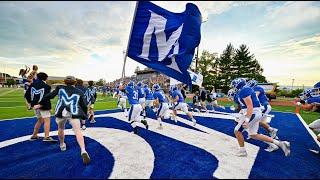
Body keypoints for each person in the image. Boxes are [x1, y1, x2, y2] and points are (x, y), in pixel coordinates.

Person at [231, 78, 290, 157]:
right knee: (253, 134)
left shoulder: (243, 90)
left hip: (253, 113)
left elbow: (250, 105)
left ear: (237, 84)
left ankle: (242, 151)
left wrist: (247, 119)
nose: (233, 87)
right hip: (255, 112)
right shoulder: (246, 89)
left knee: (237, 131)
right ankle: (280, 143)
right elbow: (246, 106)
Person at [42, 76, 90, 165]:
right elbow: (84, 105)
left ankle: (62, 145)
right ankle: (83, 150)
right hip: (73, 112)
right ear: (75, 82)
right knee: (78, 131)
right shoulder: (79, 92)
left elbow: (49, 96)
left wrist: (41, 102)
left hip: (61, 111)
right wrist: (84, 115)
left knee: (61, 129)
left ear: (64, 82)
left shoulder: (60, 88)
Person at [25, 72, 57, 142]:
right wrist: (41, 104)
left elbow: (27, 95)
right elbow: (46, 97)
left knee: (40, 120)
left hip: (35, 106)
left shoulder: (32, 84)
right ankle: (46, 136)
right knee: (47, 120)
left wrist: (31, 104)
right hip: (43, 105)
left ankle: (34, 135)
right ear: (45, 78)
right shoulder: (47, 86)